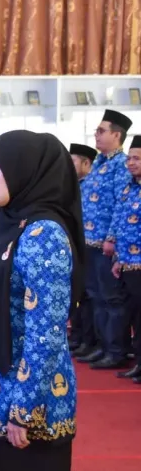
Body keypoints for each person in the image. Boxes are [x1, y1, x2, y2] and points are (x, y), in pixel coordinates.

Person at [0, 130, 81, 470]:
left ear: (24, 172)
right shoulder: (10, 222)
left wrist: (23, 409)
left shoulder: (43, 234)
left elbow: (46, 332)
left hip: (29, 409)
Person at [78, 110, 133, 369]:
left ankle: (116, 350)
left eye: (101, 131)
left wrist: (111, 238)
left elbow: (121, 205)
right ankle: (101, 346)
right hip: (90, 242)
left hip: (106, 245)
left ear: (117, 135)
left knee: (111, 299)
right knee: (95, 297)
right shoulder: (100, 162)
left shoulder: (121, 165)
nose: (96, 135)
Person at [112, 135, 141, 383]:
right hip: (127, 263)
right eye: (129, 158)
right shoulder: (129, 188)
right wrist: (119, 259)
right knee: (134, 317)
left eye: (137, 159)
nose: (131, 163)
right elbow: (122, 225)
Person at [67, 143, 98, 354]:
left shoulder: (94, 185)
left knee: (92, 296)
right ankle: (78, 337)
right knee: (78, 293)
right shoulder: (73, 186)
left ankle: (92, 342)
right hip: (75, 245)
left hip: (92, 246)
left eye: (73, 161)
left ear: (86, 163)